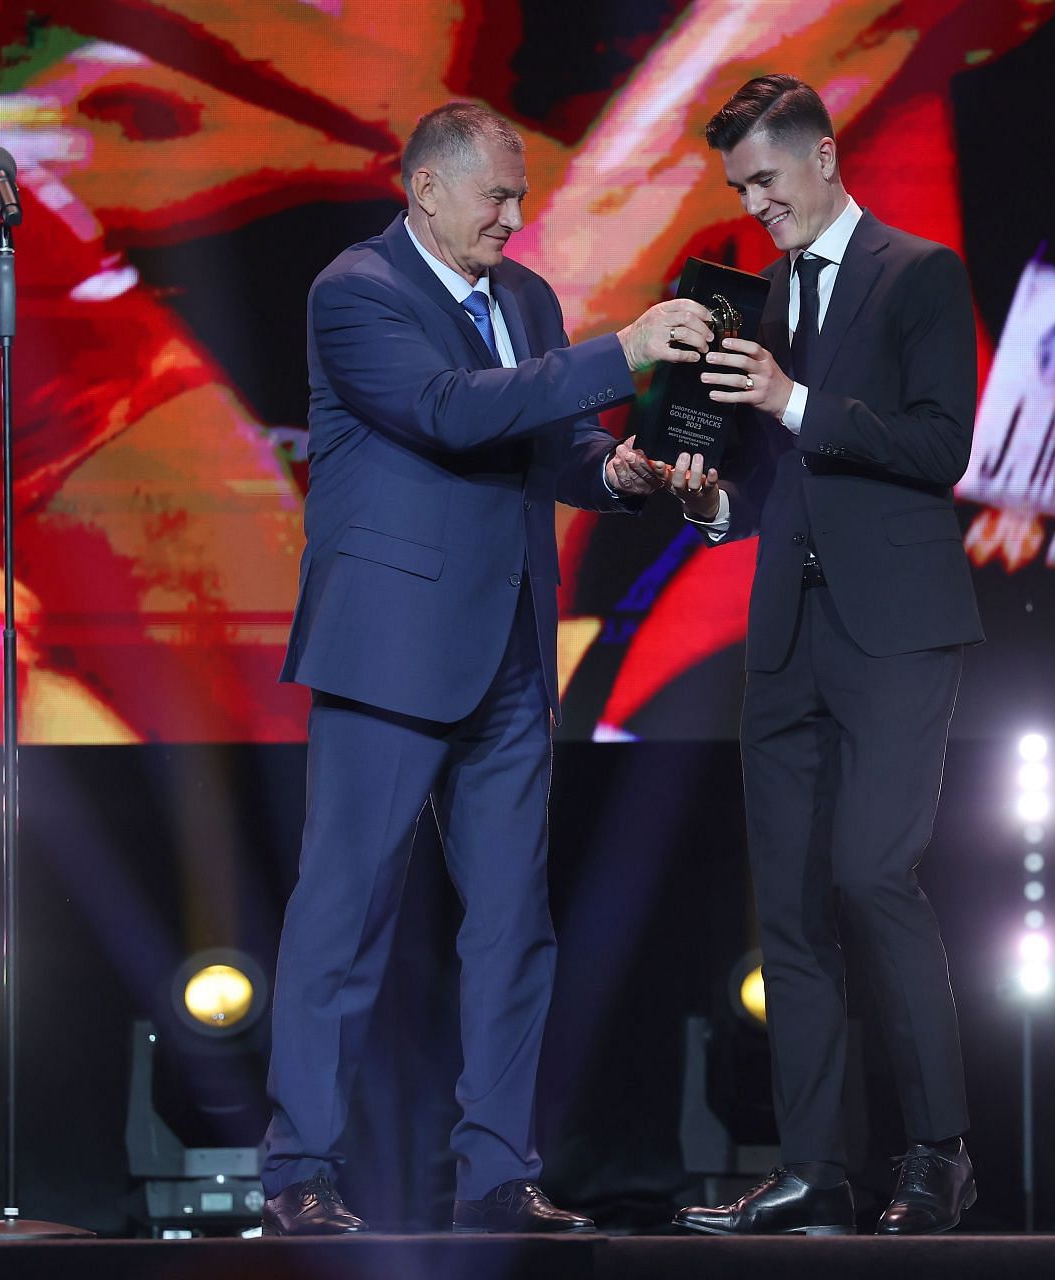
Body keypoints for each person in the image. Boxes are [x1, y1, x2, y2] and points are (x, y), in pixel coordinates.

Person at [259, 101, 711, 1236]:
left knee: (513, 922)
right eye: (496, 198)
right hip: (389, 653)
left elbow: (546, 444)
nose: (515, 218)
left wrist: (622, 473)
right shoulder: (355, 291)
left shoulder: (524, 298)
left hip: (511, 649)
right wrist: (624, 351)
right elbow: (449, 414)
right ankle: (299, 1170)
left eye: (518, 197)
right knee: (344, 917)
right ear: (424, 189)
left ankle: (498, 1172)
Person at [670, 75, 983, 1236]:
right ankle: (812, 1166)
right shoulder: (756, 303)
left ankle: (937, 1149)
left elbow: (940, 445)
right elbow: (764, 485)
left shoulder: (919, 274)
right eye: (741, 187)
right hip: (787, 636)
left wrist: (796, 399)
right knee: (792, 906)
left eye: (767, 178)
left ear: (825, 157)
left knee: (869, 874)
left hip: (896, 629)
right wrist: (707, 500)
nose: (757, 203)